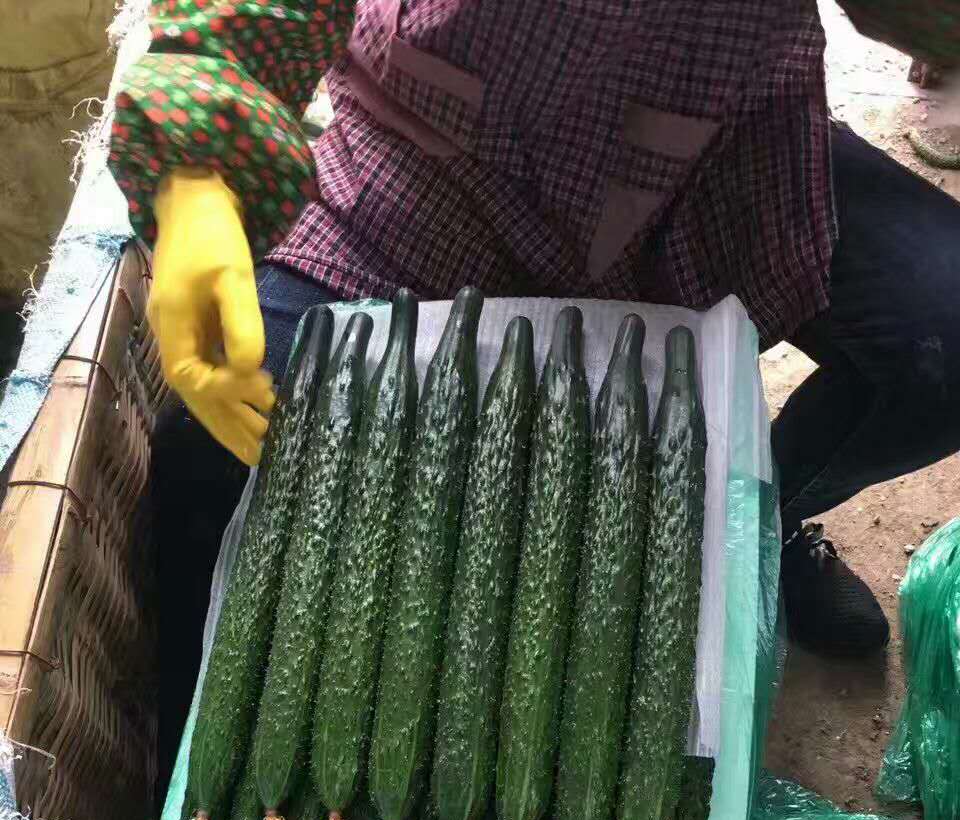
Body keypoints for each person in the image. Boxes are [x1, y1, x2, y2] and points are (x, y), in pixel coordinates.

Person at [106, 1, 960, 777]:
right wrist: (198, 157)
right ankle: (197, 807)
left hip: (705, 167)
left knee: (942, 349)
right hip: (436, 158)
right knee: (211, 456)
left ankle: (751, 527)